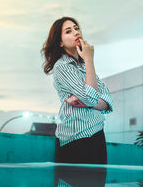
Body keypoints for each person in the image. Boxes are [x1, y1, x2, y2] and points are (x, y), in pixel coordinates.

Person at [41, 16, 113, 164]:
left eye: (76, 28)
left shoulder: (85, 66)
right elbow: (92, 98)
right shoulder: (62, 66)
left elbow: (108, 100)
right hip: (76, 138)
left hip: (98, 134)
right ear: (60, 42)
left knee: (97, 185)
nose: (75, 32)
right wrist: (89, 59)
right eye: (68, 31)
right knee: (74, 184)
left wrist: (88, 101)